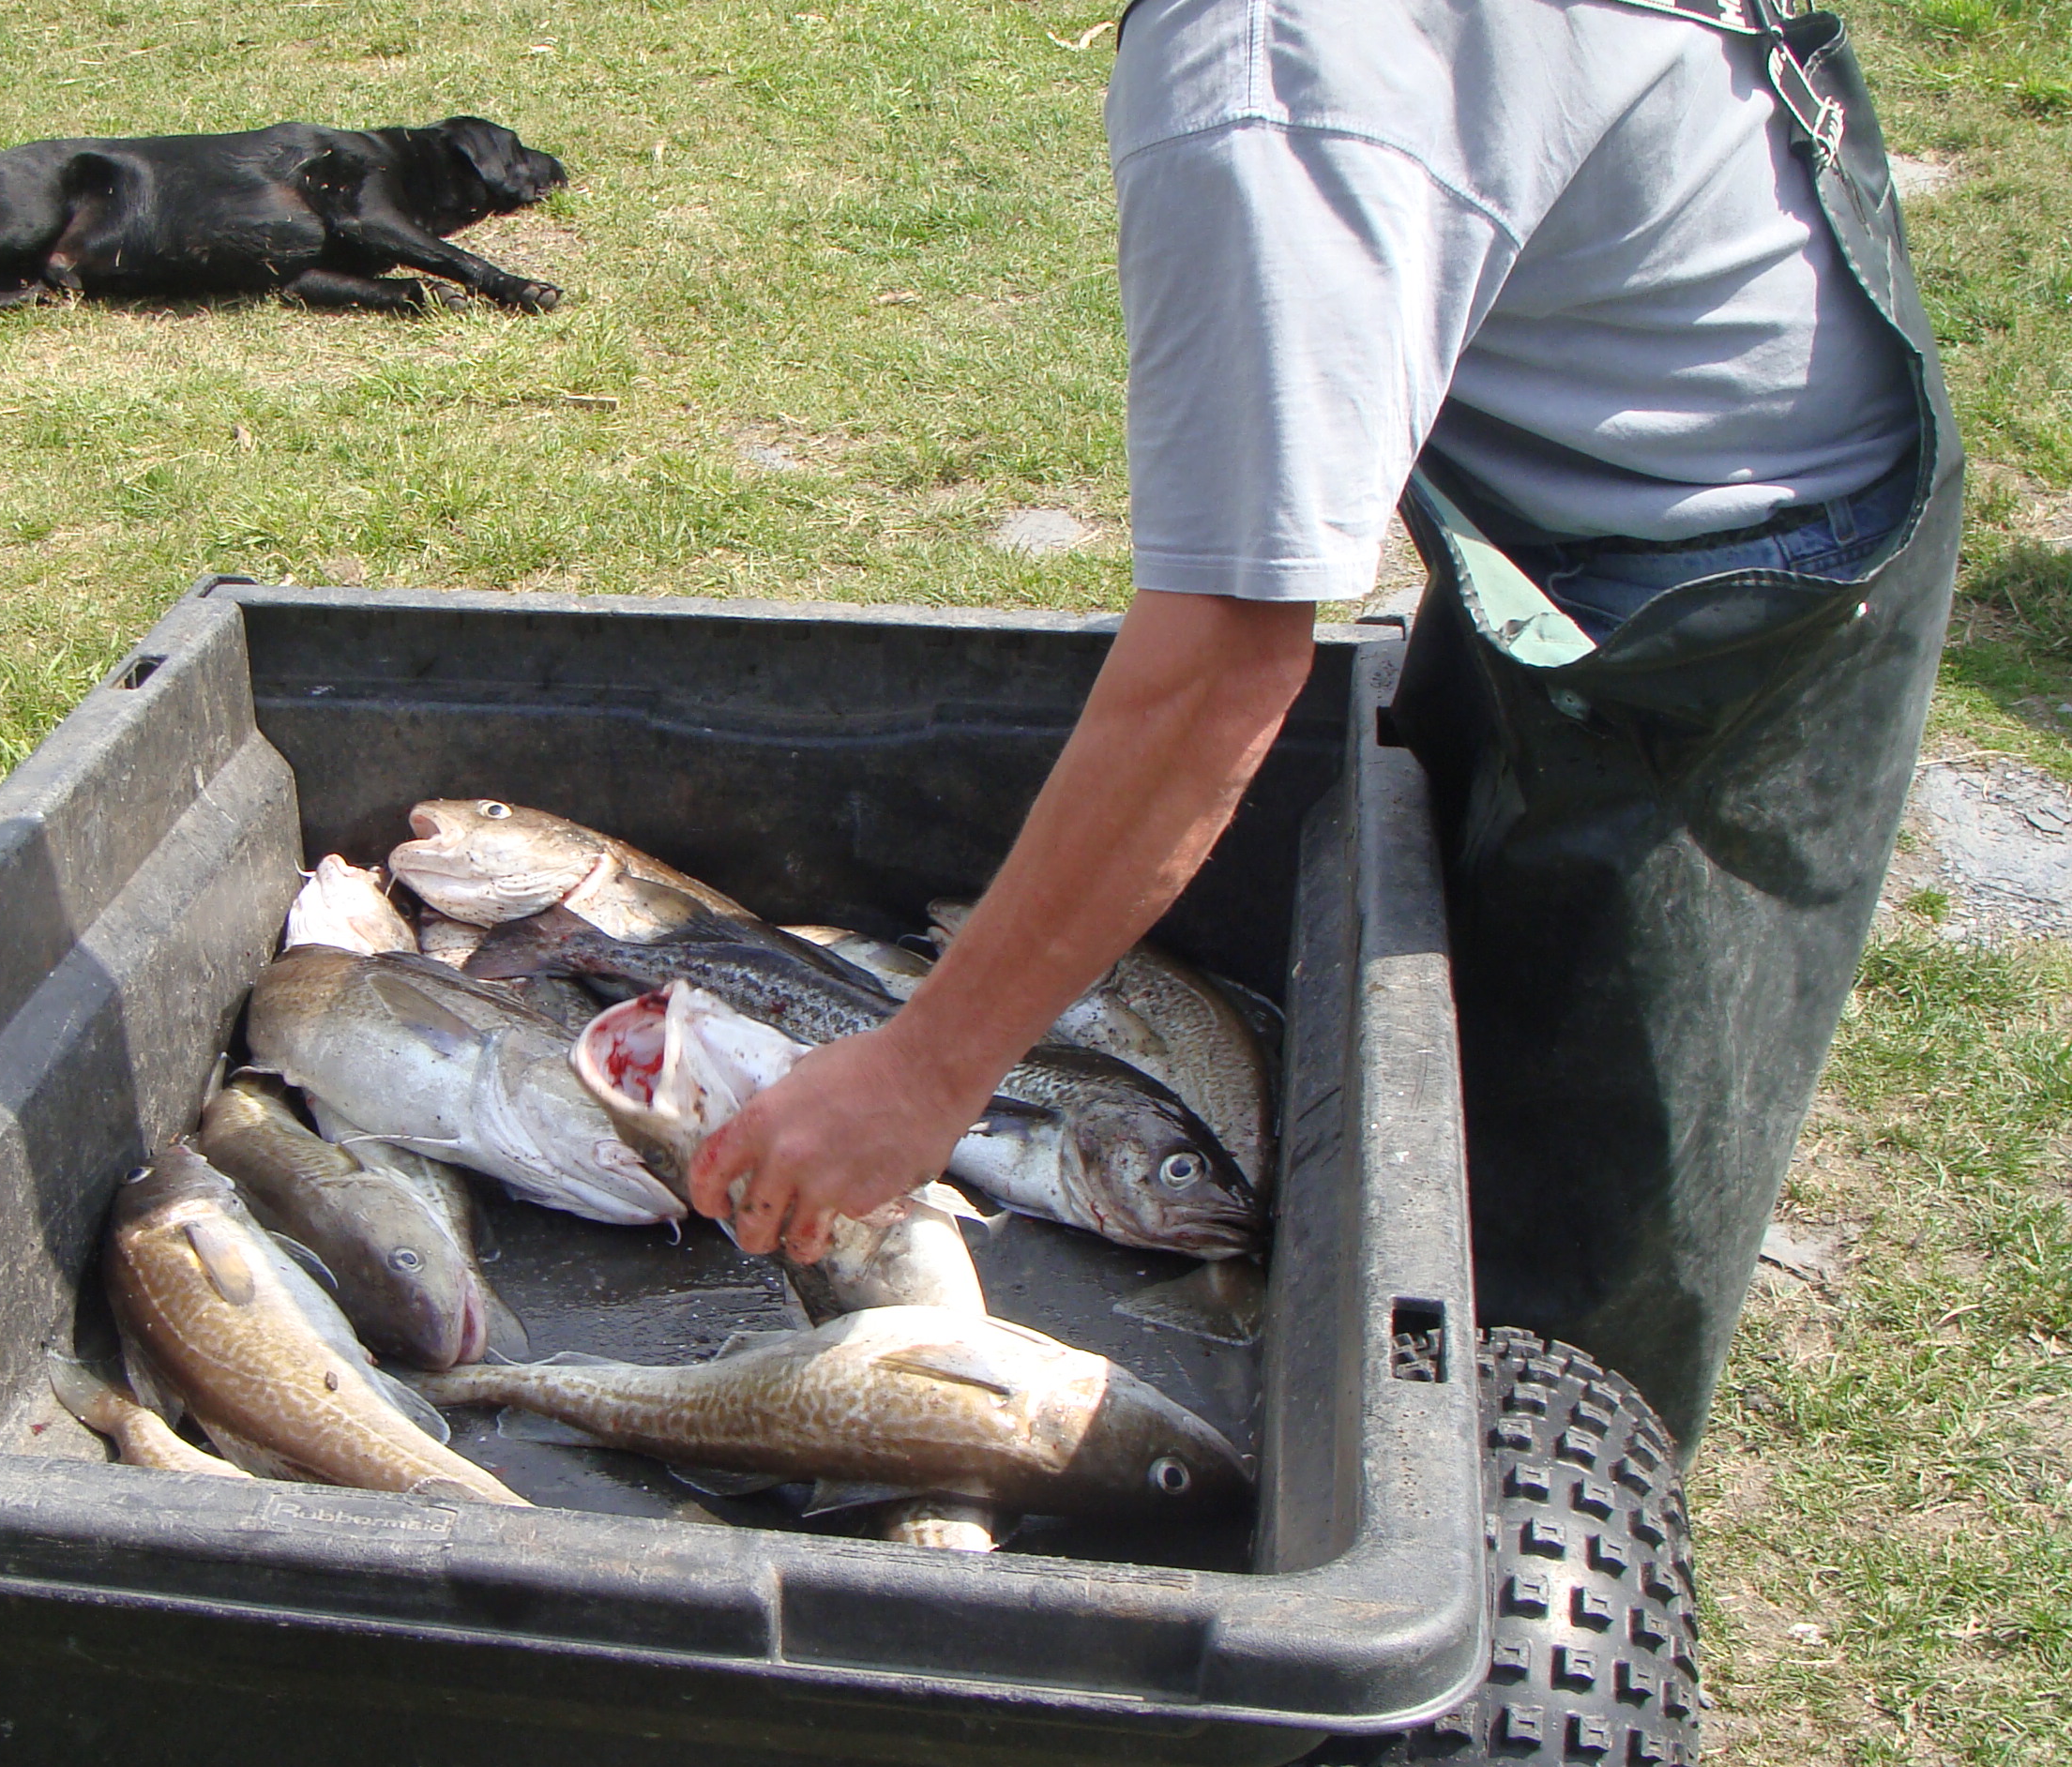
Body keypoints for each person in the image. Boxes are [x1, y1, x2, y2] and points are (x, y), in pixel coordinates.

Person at [694, 0, 1962, 1454]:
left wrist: (923, 1073)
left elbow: (1223, 664)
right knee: (1431, 1091)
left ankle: (1527, 1532)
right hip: (1605, 476)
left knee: (1533, 1309)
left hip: (1728, 598)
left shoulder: (1268, 72)